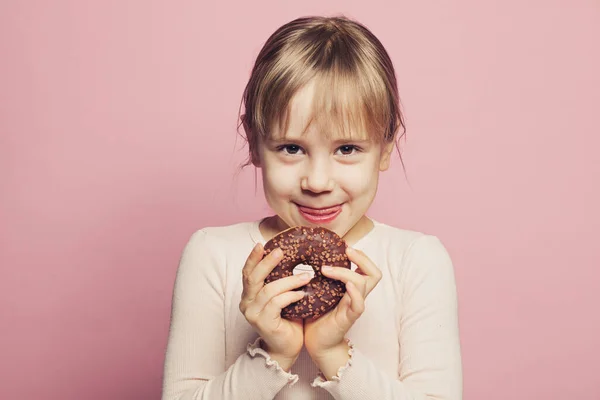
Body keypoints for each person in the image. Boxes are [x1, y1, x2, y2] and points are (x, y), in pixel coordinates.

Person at [161, 15, 462, 400]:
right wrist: (275, 352)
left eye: (347, 149)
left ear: (385, 148)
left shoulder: (417, 261)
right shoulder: (212, 255)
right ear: (254, 144)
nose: (317, 182)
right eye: (291, 148)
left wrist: (333, 352)